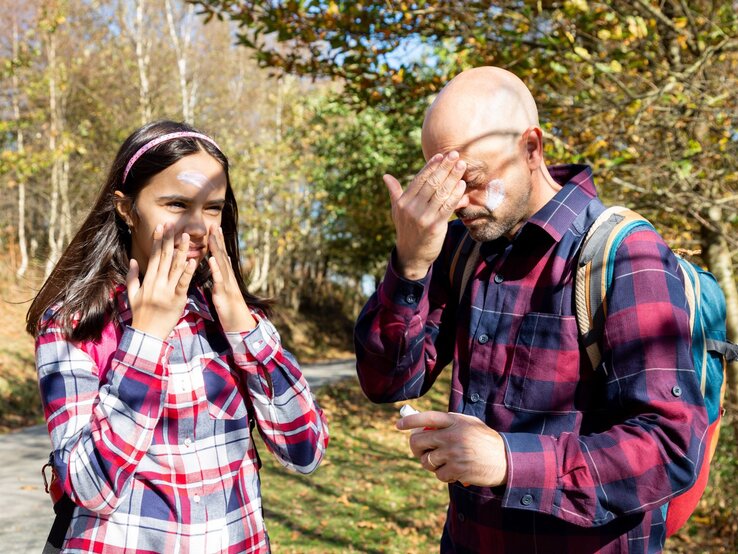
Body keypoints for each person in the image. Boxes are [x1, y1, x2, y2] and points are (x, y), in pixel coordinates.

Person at [354, 67, 708, 553]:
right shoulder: (463, 248)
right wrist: (411, 264)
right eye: (441, 182)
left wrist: (506, 460)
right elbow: (386, 381)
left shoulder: (623, 254)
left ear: (532, 148)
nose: (456, 202)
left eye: (471, 178)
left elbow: (669, 450)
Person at [27, 120, 329, 553]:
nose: (196, 225)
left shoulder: (234, 320)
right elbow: (91, 488)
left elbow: (306, 451)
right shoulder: (75, 324)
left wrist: (242, 325)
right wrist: (146, 339)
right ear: (127, 209)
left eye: (212, 208)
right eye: (175, 203)